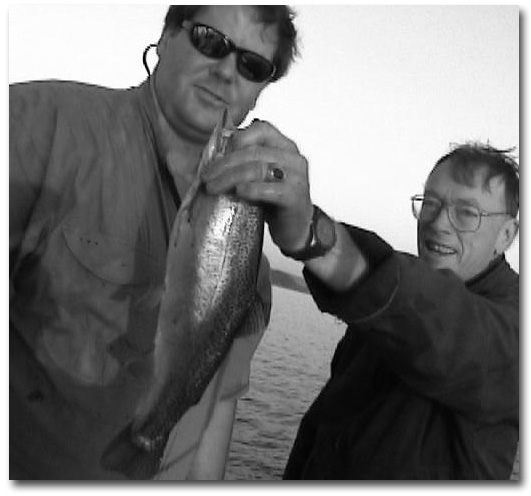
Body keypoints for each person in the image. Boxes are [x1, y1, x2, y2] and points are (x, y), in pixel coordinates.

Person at [9, 5, 301, 480]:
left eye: (252, 66)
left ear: (260, 89)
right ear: (166, 37)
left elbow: (212, 419)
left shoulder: (250, 264)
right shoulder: (33, 127)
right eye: (210, 40)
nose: (227, 70)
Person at [203, 141, 519, 480]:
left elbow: (450, 331)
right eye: (431, 203)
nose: (439, 223)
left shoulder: (513, 330)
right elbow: (323, 425)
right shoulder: (385, 305)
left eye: (467, 213)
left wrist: (312, 235)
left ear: (505, 235)